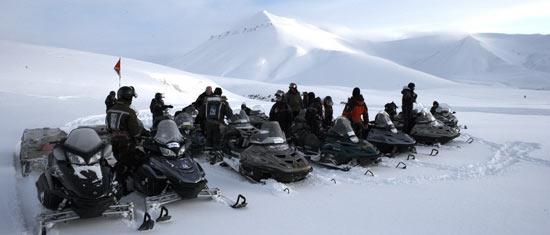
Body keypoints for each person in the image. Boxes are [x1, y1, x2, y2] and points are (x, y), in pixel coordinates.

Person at [105, 86, 145, 195]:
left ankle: (118, 183)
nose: (132, 99)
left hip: (114, 141)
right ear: (128, 98)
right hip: (126, 143)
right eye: (131, 97)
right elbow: (135, 131)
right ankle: (126, 188)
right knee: (130, 162)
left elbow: (108, 127)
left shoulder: (111, 109)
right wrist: (142, 135)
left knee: (120, 161)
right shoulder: (129, 112)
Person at [196, 88, 232, 153]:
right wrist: (230, 119)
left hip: (207, 123)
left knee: (208, 138)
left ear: (214, 92)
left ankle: (207, 153)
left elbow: (201, 112)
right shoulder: (223, 101)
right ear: (221, 93)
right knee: (217, 140)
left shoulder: (207, 101)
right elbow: (229, 112)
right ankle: (216, 154)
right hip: (219, 124)